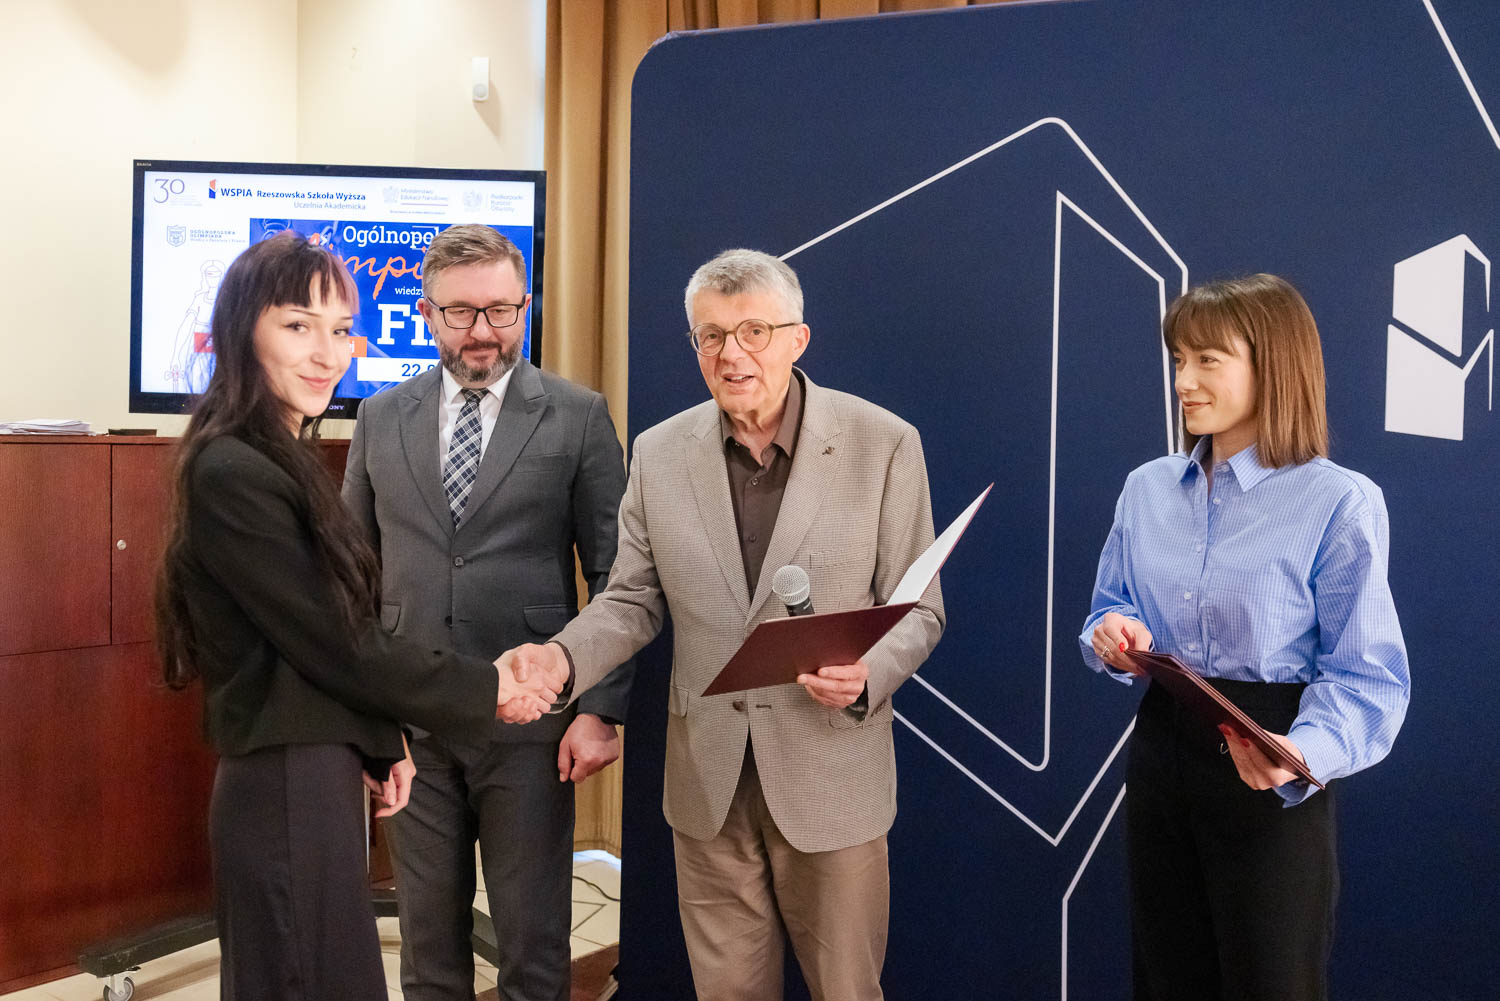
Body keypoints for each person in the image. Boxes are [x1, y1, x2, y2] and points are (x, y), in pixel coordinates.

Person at [504, 248, 946, 1001]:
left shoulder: (883, 442)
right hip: (708, 784)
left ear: (798, 339)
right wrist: (561, 660)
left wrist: (870, 673)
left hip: (831, 777)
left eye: (753, 332)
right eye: (710, 336)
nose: (731, 354)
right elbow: (631, 598)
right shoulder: (659, 452)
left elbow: (921, 609)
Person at [154, 230, 559, 1001]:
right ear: (242, 331)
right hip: (284, 781)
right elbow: (338, 642)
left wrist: (379, 740)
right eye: (297, 325)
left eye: (341, 330)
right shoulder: (232, 469)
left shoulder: (278, 456)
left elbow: (323, 636)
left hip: (315, 770)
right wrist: (490, 686)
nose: (326, 353)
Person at [1079, 274, 1411, 1001]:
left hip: (1272, 758)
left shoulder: (1338, 500)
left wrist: (1301, 755)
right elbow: (1111, 604)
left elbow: (1366, 674)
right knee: (1166, 978)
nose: (1183, 381)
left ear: (1273, 365)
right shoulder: (1146, 488)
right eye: (1178, 359)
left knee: (1271, 981)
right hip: (1162, 748)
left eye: (1207, 360)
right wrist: (1112, 633)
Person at [341, 224, 634, 1001]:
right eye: (462, 312)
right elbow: (351, 575)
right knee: (428, 948)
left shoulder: (576, 415)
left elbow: (618, 573)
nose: (483, 331)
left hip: (533, 727)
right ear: (427, 314)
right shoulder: (380, 416)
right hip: (414, 723)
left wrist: (600, 709)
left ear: (525, 306)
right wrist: (367, 716)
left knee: (533, 948)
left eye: (502, 311)